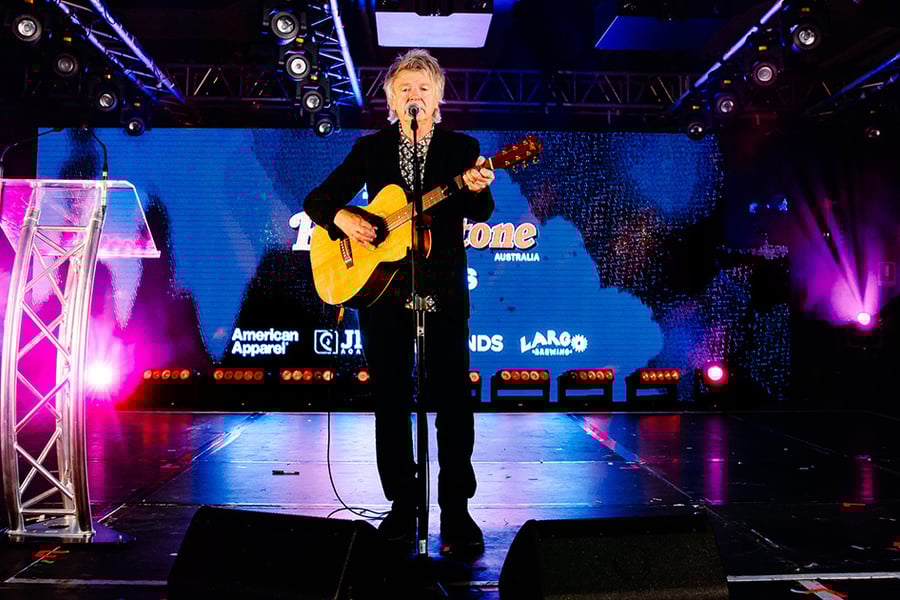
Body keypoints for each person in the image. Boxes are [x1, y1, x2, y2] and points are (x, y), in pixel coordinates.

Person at [302, 49, 495, 555]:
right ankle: (401, 506)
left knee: (452, 400)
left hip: (444, 289)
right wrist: (345, 220)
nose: (414, 96)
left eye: (423, 89)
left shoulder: (461, 147)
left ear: (438, 100)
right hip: (383, 293)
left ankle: (456, 510)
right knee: (390, 400)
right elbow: (318, 202)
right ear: (391, 100)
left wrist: (477, 186)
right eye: (404, 89)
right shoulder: (372, 148)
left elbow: (480, 209)